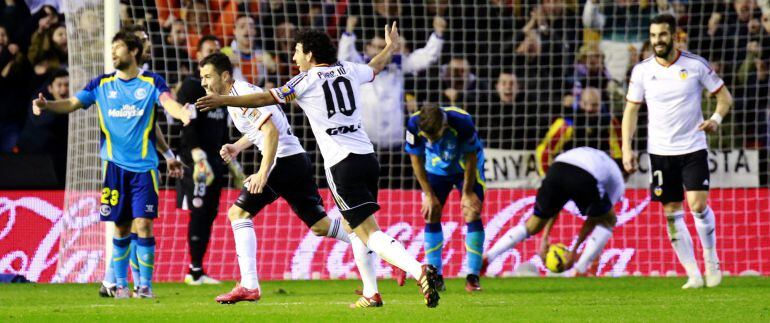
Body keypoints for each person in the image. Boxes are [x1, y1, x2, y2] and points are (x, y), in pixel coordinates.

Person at [196, 24, 442, 308]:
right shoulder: (348, 69)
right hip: (367, 157)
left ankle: (416, 268)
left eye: (297, 52)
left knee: (367, 233)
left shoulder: (305, 80)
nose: (293, 59)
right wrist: (390, 48)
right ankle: (372, 291)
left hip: (341, 163)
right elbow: (374, 67)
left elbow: (267, 99)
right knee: (349, 227)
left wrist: (224, 99)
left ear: (310, 54)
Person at [195, 52, 381, 307]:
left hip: (283, 161)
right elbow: (261, 130)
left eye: (208, 76)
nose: (204, 82)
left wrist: (262, 172)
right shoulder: (237, 97)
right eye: (202, 77)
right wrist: (237, 147)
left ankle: (249, 285)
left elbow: (271, 134)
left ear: (225, 76)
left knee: (238, 214)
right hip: (296, 160)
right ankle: (379, 248)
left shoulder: (242, 94)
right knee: (321, 226)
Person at [32, 31, 191, 298]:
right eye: (112, 48)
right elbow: (72, 103)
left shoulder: (151, 82)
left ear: (133, 52)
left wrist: (182, 113)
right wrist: (47, 104)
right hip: (114, 168)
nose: (113, 53)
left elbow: (168, 105)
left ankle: (145, 286)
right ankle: (118, 284)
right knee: (120, 226)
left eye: (118, 48)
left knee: (144, 224)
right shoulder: (101, 84)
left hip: (144, 168)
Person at [623, 14, 733, 289]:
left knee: (697, 205)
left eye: (662, 35)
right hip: (660, 152)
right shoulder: (642, 71)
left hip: (693, 147)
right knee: (671, 212)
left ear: (674, 35)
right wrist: (627, 148)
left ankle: (711, 259)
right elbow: (631, 111)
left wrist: (715, 121)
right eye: (653, 36)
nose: (657, 41)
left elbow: (724, 97)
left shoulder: (695, 65)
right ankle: (693, 274)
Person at [483, 147, 625, 277]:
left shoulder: (599, 159)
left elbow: (557, 205)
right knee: (608, 220)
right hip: (585, 174)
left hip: (557, 168)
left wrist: (545, 237)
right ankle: (581, 270)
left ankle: (488, 257)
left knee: (532, 225)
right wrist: (574, 251)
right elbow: (594, 220)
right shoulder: (618, 183)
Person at [404, 105, 486, 292]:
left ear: (444, 124)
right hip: (436, 169)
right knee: (431, 212)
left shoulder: (462, 121)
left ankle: (473, 277)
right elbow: (415, 160)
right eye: (428, 137)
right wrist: (429, 195)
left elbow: (471, 158)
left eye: (435, 136)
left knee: (472, 211)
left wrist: (467, 192)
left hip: (465, 168)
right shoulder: (414, 124)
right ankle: (436, 276)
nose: (431, 141)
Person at [173, 34, 229, 285]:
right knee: (198, 212)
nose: (213, 52)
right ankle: (193, 270)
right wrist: (196, 154)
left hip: (216, 161)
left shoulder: (222, 92)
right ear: (197, 57)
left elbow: (223, 128)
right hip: (197, 162)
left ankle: (197, 270)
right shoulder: (192, 86)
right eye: (209, 50)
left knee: (209, 213)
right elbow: (187, 123)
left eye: (216, 49)